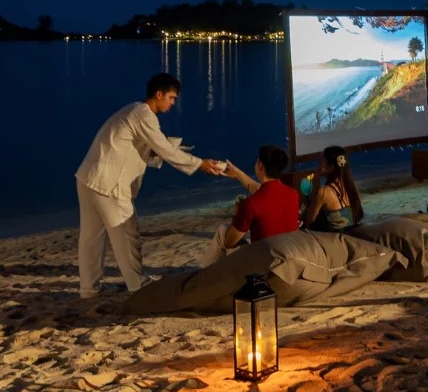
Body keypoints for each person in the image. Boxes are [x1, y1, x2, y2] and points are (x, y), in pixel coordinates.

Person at [75, 73, 223, 298]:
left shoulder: (133, 110)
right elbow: (164, 149)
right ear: (159, 94)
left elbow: (147, 147)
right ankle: (138, 285)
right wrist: (200, 164)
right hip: (108, 183)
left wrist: (174, 153)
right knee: (127, 231)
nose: (172, 103)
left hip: (88, 177)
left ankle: (89, 288)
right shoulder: (144, 115)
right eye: (171, 98)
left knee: (91, 237)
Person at [219, 145, 302, 246]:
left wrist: (238, 215)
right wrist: (236, 172)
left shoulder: (251, 203)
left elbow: (228, 242)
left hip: (265, 254)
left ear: (261, 166)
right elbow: (264, 191)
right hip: (290, 251)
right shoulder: (293, 194)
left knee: (222, 231)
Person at [302, 145, 363, 232]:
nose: (318, 165)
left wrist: (307, 197)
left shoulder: (324, 192)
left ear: (330, 168)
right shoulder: (350, 188)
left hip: (333, 239)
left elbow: (309, 223)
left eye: (321, 161)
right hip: (350, 235)